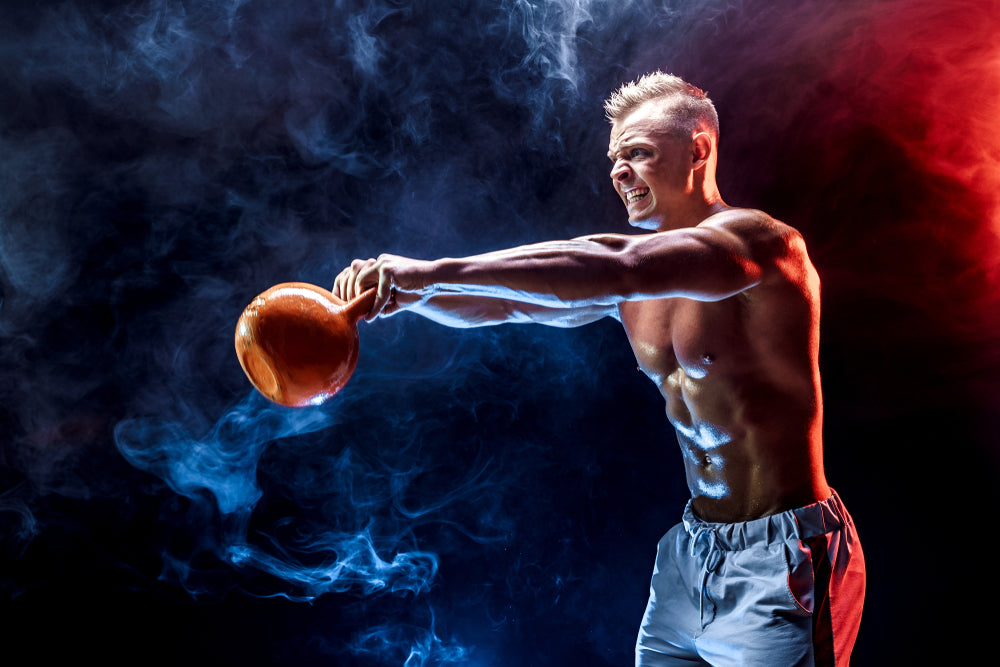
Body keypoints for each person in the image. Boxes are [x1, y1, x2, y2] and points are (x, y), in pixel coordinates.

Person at [333, 72, 866, 666]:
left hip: (783, 557)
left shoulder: (761, 243)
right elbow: (502, 303)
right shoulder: (632, 289)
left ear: (699, 150)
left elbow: (618, 262)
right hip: (692, 554)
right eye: (615, 160)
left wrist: (431, 272)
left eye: (638, 153)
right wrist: (407, 296)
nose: (619, 172)